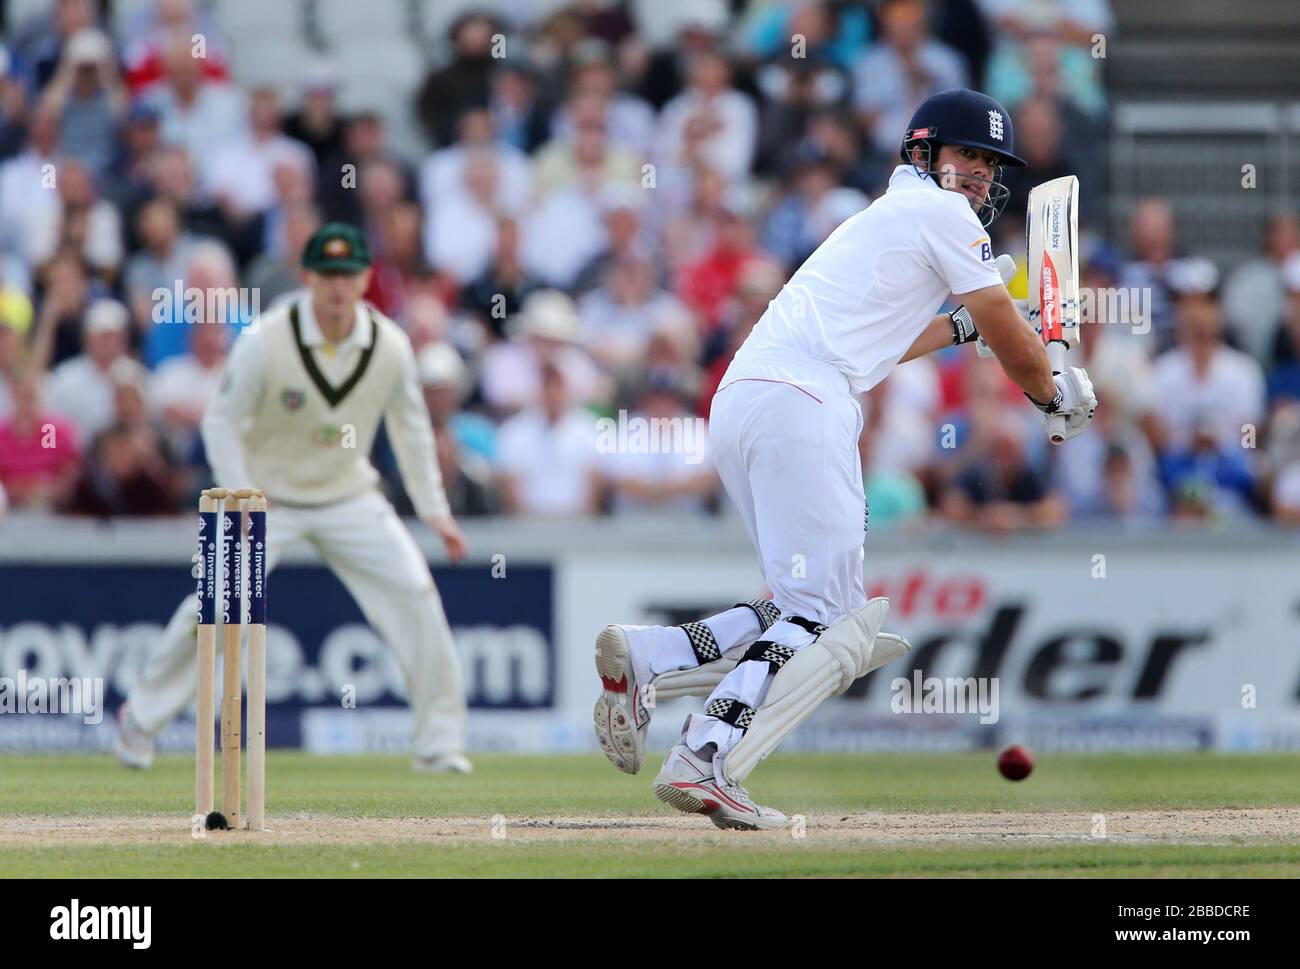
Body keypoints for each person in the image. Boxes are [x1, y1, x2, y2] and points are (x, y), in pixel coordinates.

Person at [592, 89, 1098, 829]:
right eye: (968, 156)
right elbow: (1011, 333)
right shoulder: (942, 213)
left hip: (746, 398)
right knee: (829, 615)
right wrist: (1056, 394)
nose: (982, 176)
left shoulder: (889, 216)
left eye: (991, 164)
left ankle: (654, 654)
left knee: (794, 601)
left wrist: (963, 330)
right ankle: (703, 755)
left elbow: (884, 345)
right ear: (923, 154)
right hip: (806, 400)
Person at [115, 223, 473, 774]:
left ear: (366, 279)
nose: (337, 287)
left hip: (349, 494)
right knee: (215, 604)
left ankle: (439, 744)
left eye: (348, 274)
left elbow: (412, 432)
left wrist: (435, 513)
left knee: (416, 596)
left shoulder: (391, 347)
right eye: (326, 275)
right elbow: (222, 420)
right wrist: (242, 496)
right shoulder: (265, 339)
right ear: (305, 277)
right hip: (267, 497)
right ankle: (140, 720)